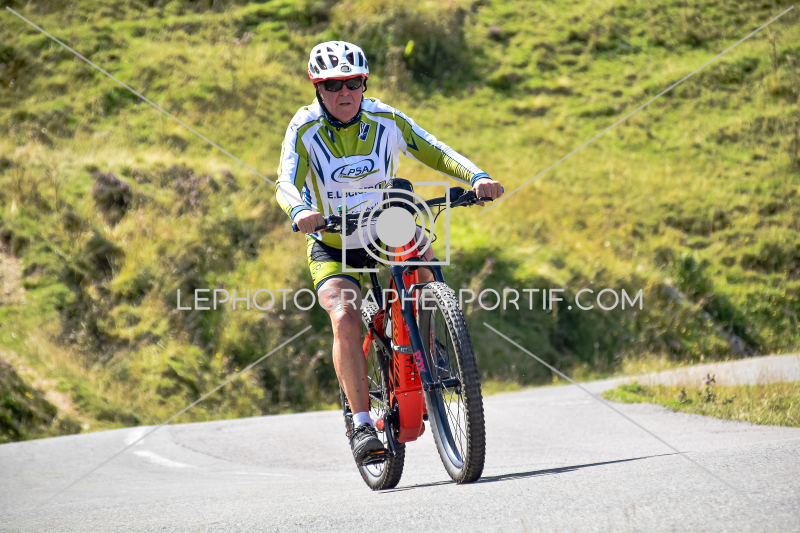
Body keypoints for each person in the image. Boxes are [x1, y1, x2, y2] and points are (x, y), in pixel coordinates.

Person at [276, 41, 503, 466]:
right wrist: (301, 210)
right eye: (333, 85)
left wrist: (477, 176)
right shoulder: (304, 128)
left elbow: (433, 148)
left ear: (364, 84)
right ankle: (363, 425)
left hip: (384, 229)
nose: (344, 92)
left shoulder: (385, 119)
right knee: (345, 317)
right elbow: (285, 181)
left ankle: (431, 342)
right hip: (333, 242)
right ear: (317, 88)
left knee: (421, 248)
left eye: (353, 83)